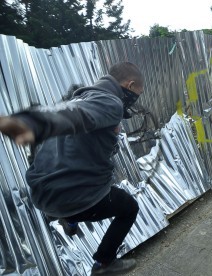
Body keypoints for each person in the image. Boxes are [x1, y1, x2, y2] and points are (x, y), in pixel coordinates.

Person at [0, 61, 144, 275]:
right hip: (73, 198)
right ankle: (104, 263)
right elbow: (76, 114)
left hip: (42, 196)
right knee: (129, 207)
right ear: (130, 85)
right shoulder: (110, 103)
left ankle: (71, 218)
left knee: (100, 176)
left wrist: (110, 136)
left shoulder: (82, 96)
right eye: (137, 93)